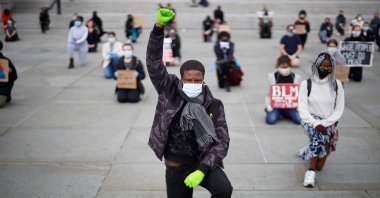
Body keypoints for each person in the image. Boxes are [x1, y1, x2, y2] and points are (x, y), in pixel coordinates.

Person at [147, 8, 233, 198]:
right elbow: (153, 62)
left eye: (197, 80)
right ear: (181, 78)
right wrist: (159, 28)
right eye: (188, 79)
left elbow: (223, 141)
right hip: (176, 165)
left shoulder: (213, 104)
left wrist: (202, 169)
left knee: (224, 190)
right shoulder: (168, 89)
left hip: (202, 162)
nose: (192, 83)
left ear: (203, 79)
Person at [298, 52, 345, 188]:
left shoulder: (337, 85)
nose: (325, 69)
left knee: (320, 166)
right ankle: (310, 173)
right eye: (322, 66)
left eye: (328, 67)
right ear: (316, 66)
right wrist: (316, 123)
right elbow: (302, 109)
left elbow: (339, 109)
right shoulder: (306, 84)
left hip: (329, 121)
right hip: (310, 120)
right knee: (318, 138)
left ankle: (308, 151)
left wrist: (325, 123)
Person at [265, 55, 301, 125]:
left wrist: (299, 106)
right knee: (270, 120)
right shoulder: (271, 76)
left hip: (291, 107)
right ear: (278, 66)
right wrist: (268, 105)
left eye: (285, 67)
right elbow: (267, 93)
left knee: (299, 120)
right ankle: (280, 113)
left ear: (290, 66)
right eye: (281, 67)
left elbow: (299, 94)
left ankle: (286, 114)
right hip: (275, 107)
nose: (284, 69)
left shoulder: (296, 77)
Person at [0, 41, 17, 108]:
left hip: (2, 90)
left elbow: (14, 76)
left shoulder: (4, 61)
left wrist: (7, 73)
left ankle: (6, 96)